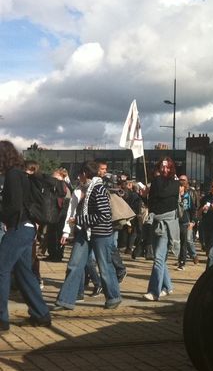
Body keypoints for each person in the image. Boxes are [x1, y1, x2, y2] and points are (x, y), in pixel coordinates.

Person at [54, 161, 121, 310]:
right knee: (74, 264)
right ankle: (65, 300)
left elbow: (104, 215)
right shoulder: (85, 188)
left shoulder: (98, 189)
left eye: (79, 174)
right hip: (85, 231)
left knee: (104, 266)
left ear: (84, 174)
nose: (78, 177)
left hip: (100, 233)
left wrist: (79, 219)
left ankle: (114, 296)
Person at [0, 141, 51, 330]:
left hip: (18, 228)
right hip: (27, 228)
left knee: (1, 269)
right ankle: (41, 314)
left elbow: (13, 206)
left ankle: (2, 320)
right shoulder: (21, 173)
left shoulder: (13, 175)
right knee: (23, 273)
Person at [143, 157, 180, 301]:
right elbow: (151, 202)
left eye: (168, 167)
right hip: (155, 222)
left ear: (172, 168)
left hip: (166, 225)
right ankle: (168, 286)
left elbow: (163, 194)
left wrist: (156, 182)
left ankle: (154, 291)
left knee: (158, 258)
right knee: (161, 259)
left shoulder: (174, 183)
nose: (165, 170)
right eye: (162, 167)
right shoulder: (156, 183)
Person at [96, 160, 127, 282]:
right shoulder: (94, 180)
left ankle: (118, 269)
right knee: (108, 246)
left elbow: (119, 193)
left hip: (107, 219)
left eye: (105, 168)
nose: (104, 171)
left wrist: (115, 190)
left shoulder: (107, 181)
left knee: (110, 245)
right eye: (102, 168)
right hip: (97, 218)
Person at [176, 175, 197, 270]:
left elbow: (193, 208)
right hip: (176, 221)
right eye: (180, 181)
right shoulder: (175, 196)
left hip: (185, 221)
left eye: (183, 181)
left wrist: (193, 221)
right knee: (177, 242)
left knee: (185, 241)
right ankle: (180, 259)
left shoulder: (189, 195)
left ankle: (182, 262)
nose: (181, 183)